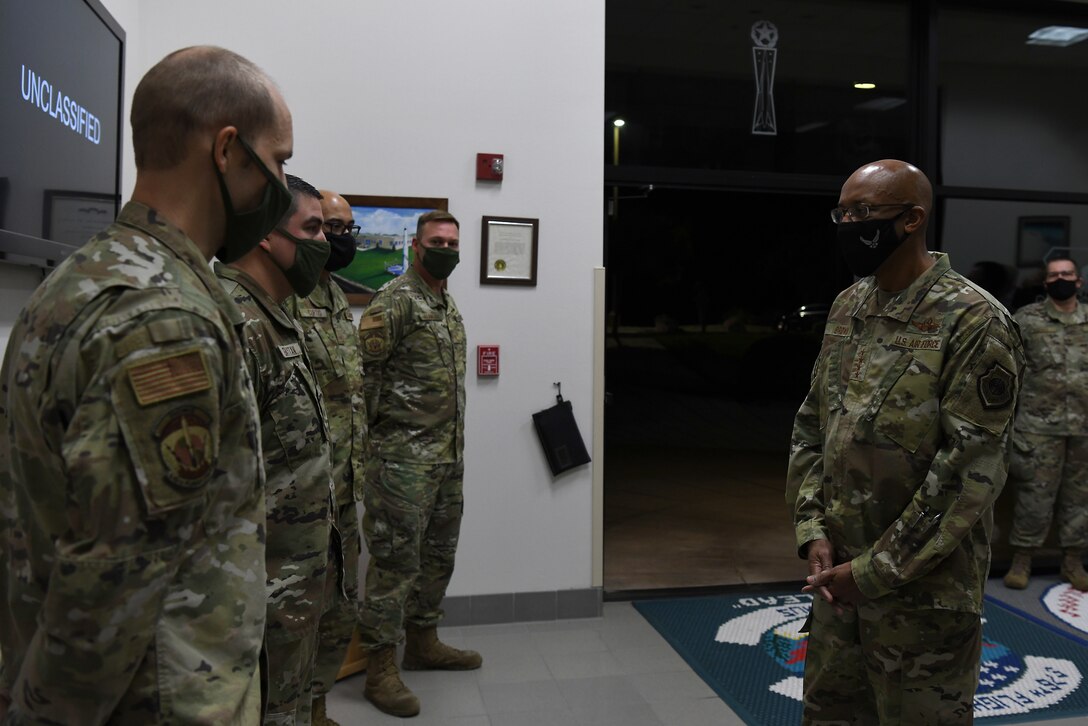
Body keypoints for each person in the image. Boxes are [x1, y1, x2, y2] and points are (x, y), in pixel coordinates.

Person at [0, 46, 290, 724]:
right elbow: (109, 586)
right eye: (278, 161)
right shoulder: (164, 319)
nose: (279, 184)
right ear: (228, 150)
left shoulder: (83, 276)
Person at [786, 159, 1023, 724]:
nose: (847, 223)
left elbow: (969, 472)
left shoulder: (973, 320)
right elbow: (814, 426)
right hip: (837, 588)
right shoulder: (849, 306)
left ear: (912, 218)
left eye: (863, 212)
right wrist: (812, 527)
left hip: (922, 598)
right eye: (842, 211)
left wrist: (873, 572)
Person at [216, 174, 339, 725]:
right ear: (268, 234)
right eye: (311, 228)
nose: (324, 243)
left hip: (292, 583)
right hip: (255, 594)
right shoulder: (236, 321)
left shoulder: (277, 315)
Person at [357, 210, 479, 717]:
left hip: (446, 459)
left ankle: (423, 642)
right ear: (415, 246)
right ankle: (380, 668)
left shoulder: (445, 305)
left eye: (452, 240)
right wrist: (372, 458)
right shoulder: (395, 303)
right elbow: (364, 383)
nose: (445, 247)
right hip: (402, 463)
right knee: (394, 565)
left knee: (437, 557)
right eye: (436, 240)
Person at [282, 189, 367, 725]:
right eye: (328, 228)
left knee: (338, 612)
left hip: (345, 491)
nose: (340, 240)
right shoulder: (279, 298)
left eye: (344, 229)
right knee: (292, 621)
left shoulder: (337, 297)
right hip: (298, 499)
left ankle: (315, 710)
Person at [1004, 256, 1088, 591]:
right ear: (1045, 283)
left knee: (1080, 499)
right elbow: (1006, 368)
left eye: (1067, 274)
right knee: (1033, 498)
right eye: (1054, 275)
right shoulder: (1027, 320)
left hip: (1084, 428)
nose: (1061, 279)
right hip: (1038, 427)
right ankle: (1022, 560)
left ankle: (1073, 562)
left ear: (1078, 282)